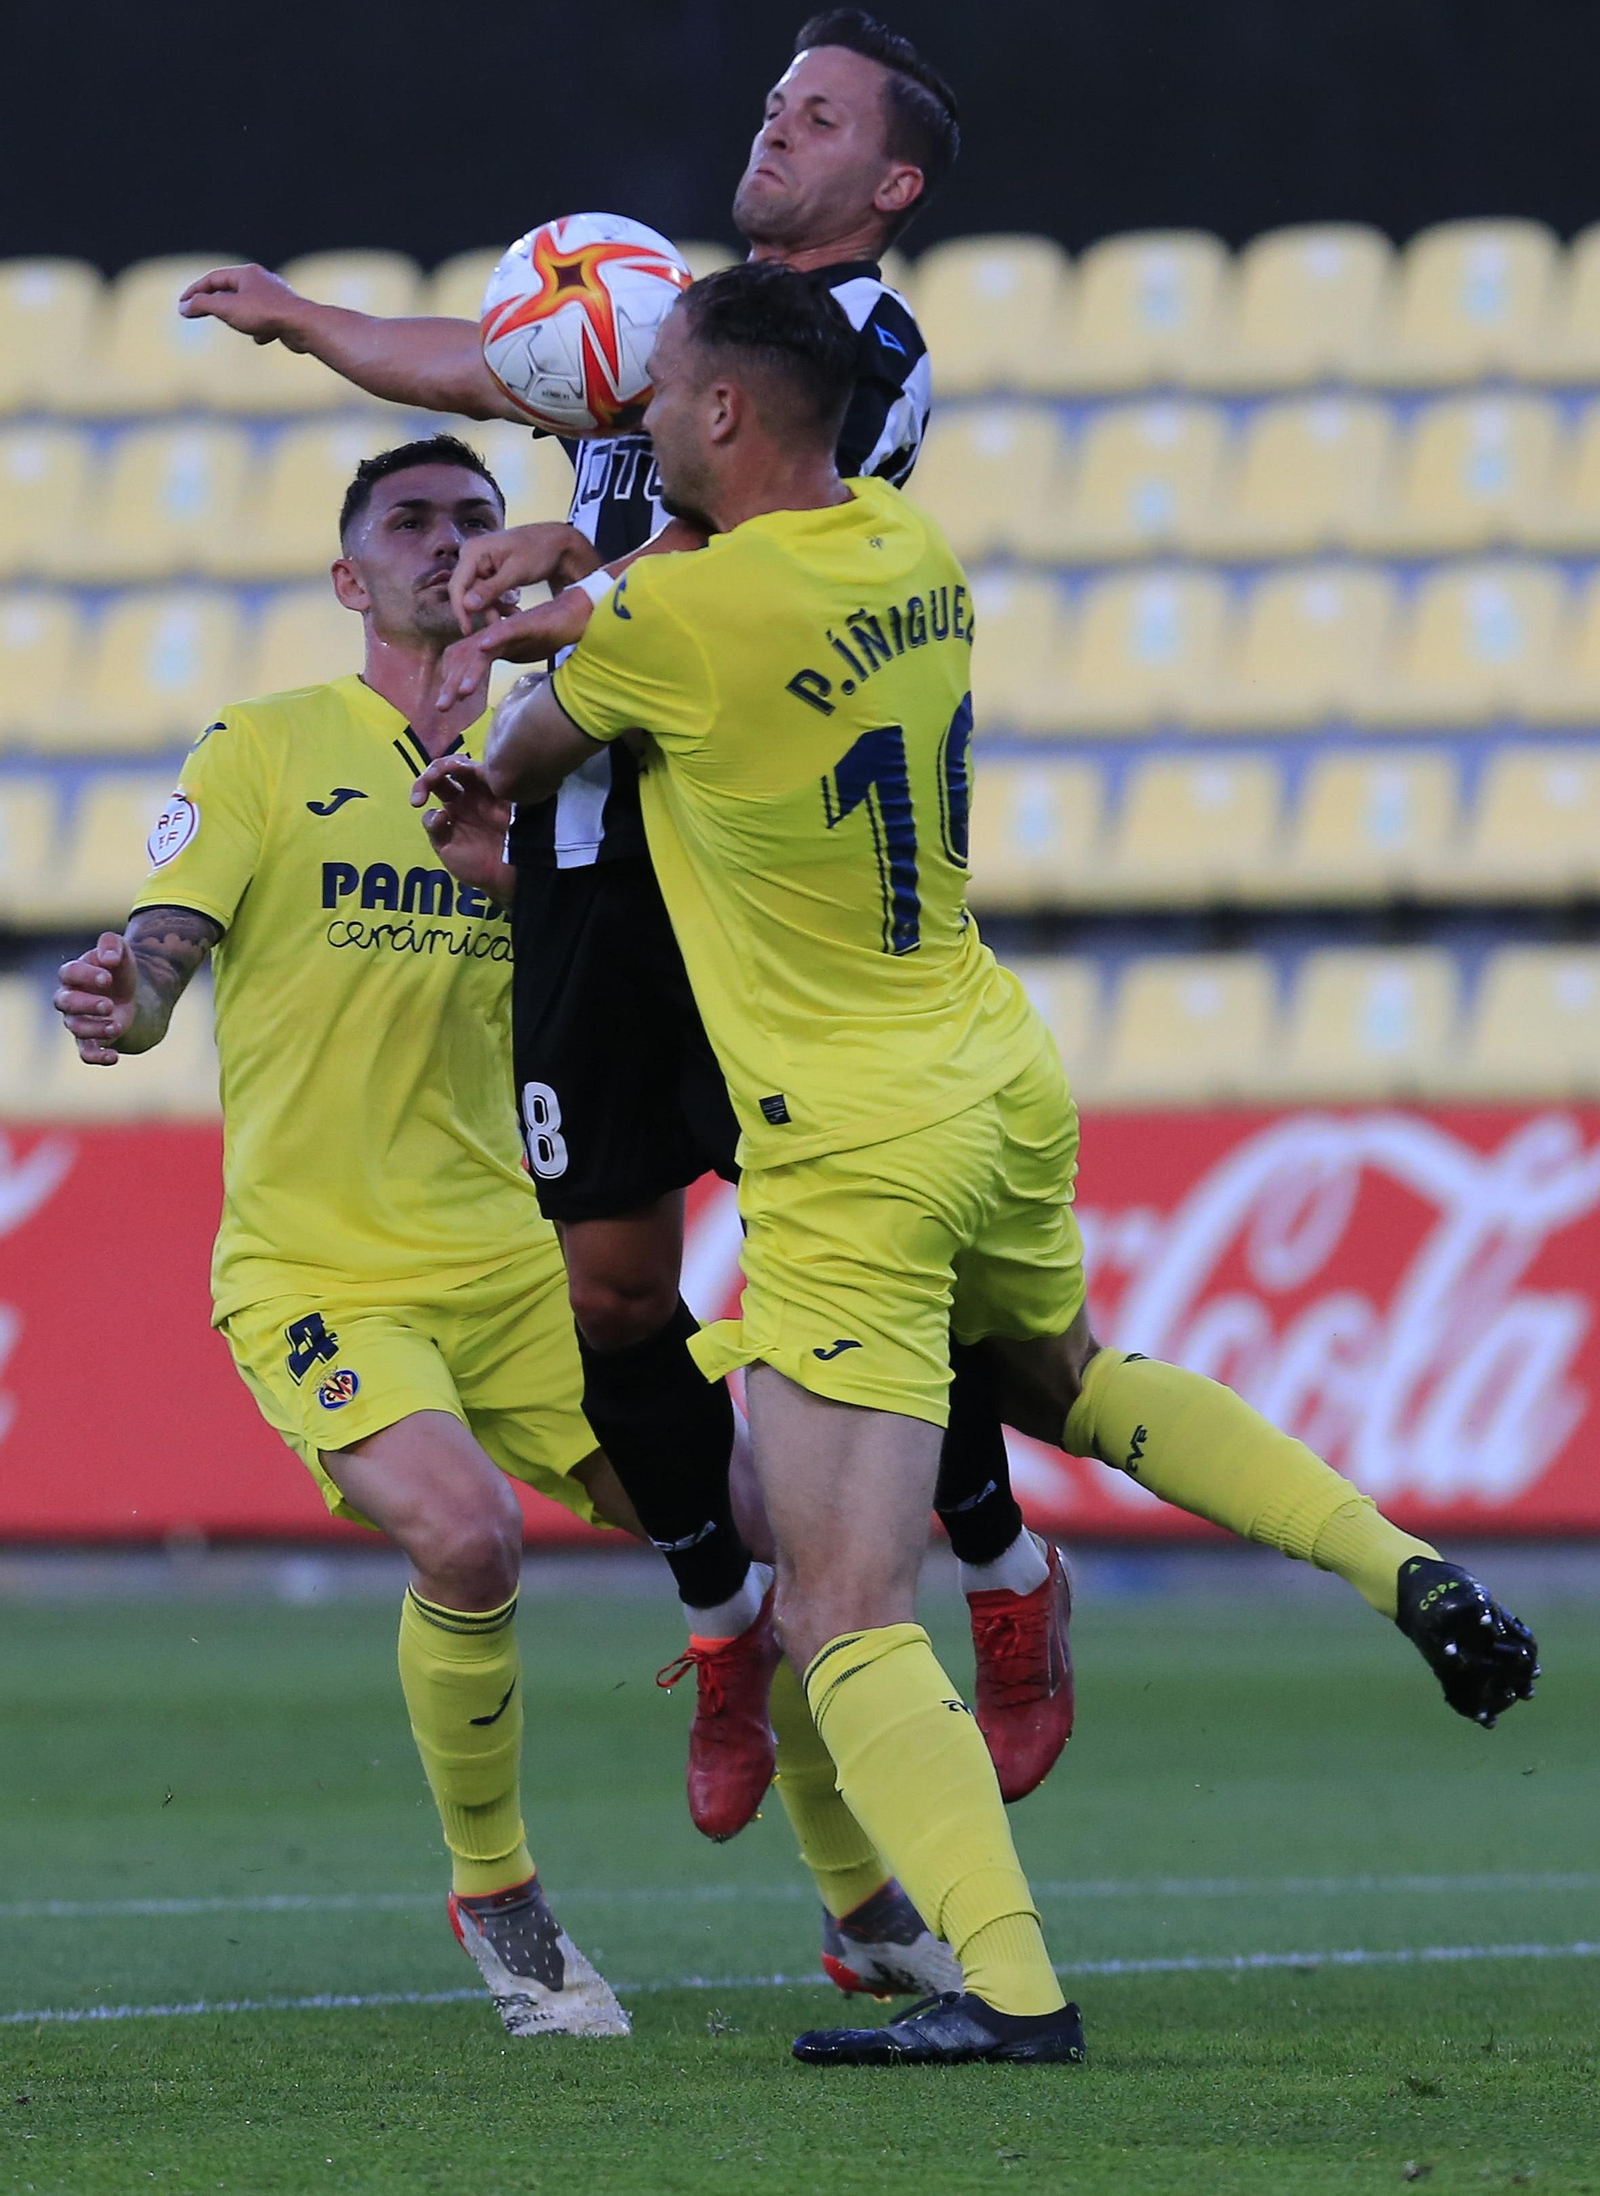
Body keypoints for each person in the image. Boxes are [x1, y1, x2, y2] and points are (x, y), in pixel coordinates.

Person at [446, 263, 1541, 2066]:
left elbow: (547, 717)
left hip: (851, 1142)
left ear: (725, 415)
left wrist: (506, 679)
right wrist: (584, 603)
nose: (632, 422)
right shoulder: (917, 553)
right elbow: (656, 632)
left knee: (839, 1600)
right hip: (994, 1073)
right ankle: (1394, 1563)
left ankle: (1008, 1992)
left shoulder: (681, 625)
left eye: (659, 400)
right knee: (1062, 1379)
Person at [177, 8, 1074, 1852]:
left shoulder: (856, 354)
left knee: (857, 1263)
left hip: (740, 863)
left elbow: (750, 556)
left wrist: (559, 580)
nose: (775, 126)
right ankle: (723, 1620)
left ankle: (1001, 1569)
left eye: (815, 115)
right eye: (773, 98)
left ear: (888, 182)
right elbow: (501, 362)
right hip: (593, 857)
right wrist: (312, 327)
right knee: (613, 1291)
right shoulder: (673, 318)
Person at [52, 436, 644, 2041]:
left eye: (472, 516)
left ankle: (866, 1904)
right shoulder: (265, 744)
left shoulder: (570, 753)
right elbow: (172, 948)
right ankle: (498, 1891)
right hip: (321, 1265)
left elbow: (631, 965)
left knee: (755, 1522)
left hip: (526, 1256)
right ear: (348, 577)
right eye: (408, 521)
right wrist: (134, 992)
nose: (446, 541)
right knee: (467, 1537)